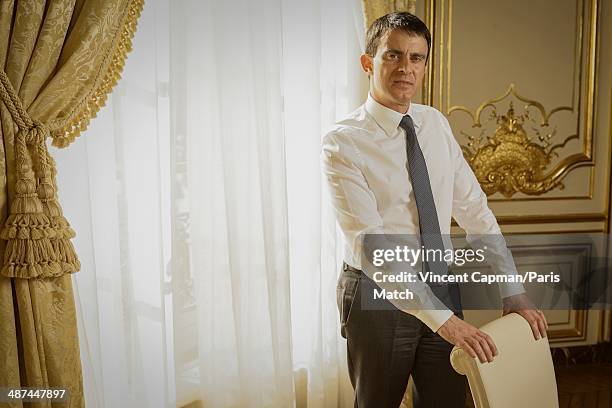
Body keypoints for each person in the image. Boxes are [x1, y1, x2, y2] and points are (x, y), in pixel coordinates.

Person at [321, 12, 548, 408]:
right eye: (393, 56)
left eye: (416, 57)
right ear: (368, 62)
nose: (405, 68)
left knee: (447, 400)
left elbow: (476, 210)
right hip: (378, 295)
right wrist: (446, 321)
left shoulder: (435, 124)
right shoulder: (343, 143)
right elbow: (374, 249)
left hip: (440, 281)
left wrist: (511, 287)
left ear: (425, 64)